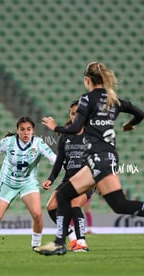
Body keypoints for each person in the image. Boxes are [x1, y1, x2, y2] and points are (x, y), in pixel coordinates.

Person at [37, 61, 144, 255]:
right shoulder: (113, 99)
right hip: (107, 158)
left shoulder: (87, 99)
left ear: (87, 80)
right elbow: (140, 114)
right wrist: (130, 124)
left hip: (98, 158)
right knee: (118, 204)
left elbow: (73, 128)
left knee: (65, 195)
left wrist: (55, 127)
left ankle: (59, 243)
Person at [0, 116, 56, 251]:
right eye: (22, 129)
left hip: (28, 182)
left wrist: (71, 173)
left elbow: (55, 160)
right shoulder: (8, 142)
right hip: (6, 182)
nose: (25, 132)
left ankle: (36, 246)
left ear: (33, 131)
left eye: (29, 129)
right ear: (17, 131)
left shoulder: (39, 144)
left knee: (38, 215)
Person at [41, 100, 93, 252]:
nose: (75, 116)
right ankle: (72, 238)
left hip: (86, 178)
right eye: (72, 113)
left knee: (75, 203)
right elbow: (59, 160)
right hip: (68, 179)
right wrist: (51, 179)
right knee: (51, 207)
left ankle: (82, 243)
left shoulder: (91, 133)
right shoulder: (65, 135)